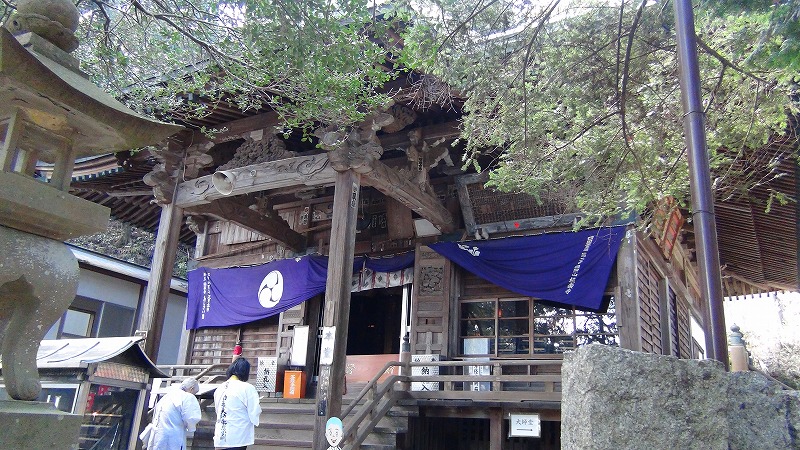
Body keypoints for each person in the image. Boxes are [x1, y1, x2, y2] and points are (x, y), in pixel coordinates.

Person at [213, 357, 262, 450]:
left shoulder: (220, 388)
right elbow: (254, 410)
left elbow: (217, 410)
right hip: (238, 435)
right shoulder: (247, 388)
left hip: (220, 435)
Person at [146, 378, 202, 450]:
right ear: (191, 389)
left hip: (158, 435)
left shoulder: (167, 395)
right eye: (195, 393)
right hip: (174, 437)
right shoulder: (188, 396)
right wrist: (191, 428)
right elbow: (191, 418)